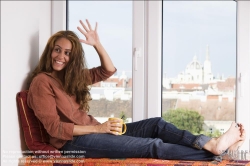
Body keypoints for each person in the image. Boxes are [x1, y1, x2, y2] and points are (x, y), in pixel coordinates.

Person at [27, 19, 245, 161]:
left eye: (67, 53)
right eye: (58, 50)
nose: (61, 57)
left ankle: (211, 143)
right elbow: (55, 129)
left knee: (156, 125)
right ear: (50, 51)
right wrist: (99, 129)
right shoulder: (41, 83)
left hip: (94, 131)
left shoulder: (70, 77)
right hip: (73, 143)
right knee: (152, 146)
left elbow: (107, 70)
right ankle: (221, 155)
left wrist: (97, 44)